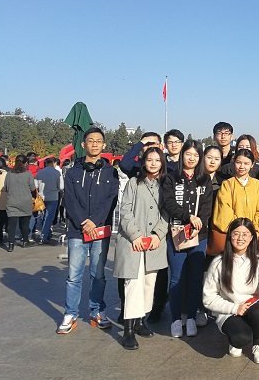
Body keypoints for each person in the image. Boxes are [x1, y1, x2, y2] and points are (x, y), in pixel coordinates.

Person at [58, 128, 119, 334]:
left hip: (100, 230)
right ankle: (70, 314)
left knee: (98, 274)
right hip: (78, 230)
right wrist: (84, 222)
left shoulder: (110, 172)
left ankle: (97, 311)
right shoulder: (72, 172)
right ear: (83, 145)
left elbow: (111, 200)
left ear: (104, 145)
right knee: (73, 275)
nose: (94, 144)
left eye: (98, 141)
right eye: (91, 141)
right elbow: (69, 199)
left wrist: (94, 221)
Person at [203, 218, 259, 364]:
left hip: (251, 305)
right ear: (230, 236)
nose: (240, 238)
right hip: (229, 309)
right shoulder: (218, 262)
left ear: (252, 237)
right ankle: (237, 335)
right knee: (240, 339)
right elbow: (208, 298)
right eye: (236, 233)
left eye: (245, 234)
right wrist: (235, 308)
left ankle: (258, 344)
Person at [113, 147, 169, 350]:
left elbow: (167, 212)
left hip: (154, 242)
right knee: (133, 285)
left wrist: (158, 234)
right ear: (143, 162)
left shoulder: (165, 185)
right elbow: (125, 210)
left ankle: (140, 321)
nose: (153, 163)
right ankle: (128, 329)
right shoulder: (134, 183)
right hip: (133, 242)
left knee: (148, 284)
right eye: (149, 159)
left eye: (157, 160)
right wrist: (135, 235)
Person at [162, 140, 213, 338]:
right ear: (182, 155)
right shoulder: (171, 178)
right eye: (188, 154)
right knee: (176, 277)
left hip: (199, 235)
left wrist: (198, 224)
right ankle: (176, 319)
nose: (191, 158)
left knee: (195, 277)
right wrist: (188, 217)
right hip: (177, 233)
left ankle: (191, 317)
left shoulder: (204, 179)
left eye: (196, 155)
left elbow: (207, 206)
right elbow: (168, 203)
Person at [212, 148, 259, 235]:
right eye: (238, 162)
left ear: (252, 165)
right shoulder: (227, 185)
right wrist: (239, 230)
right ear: (234, 162)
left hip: (253, 233)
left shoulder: (257, 184)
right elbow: (224, 213)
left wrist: (255, 229)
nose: (242, 166)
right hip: (233, 234)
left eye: (246, 163)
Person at [5, 154, 38, 251]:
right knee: (25, 223)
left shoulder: (9, 174)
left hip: (12, 200)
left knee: (12, 224)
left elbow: (6, 188)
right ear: (25, 163)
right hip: (25, 201)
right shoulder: (28, 174)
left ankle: (11, 244)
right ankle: (25, 240)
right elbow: (33, 188)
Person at [35, 157, 63, 244]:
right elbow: (61, 187)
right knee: (49, 217)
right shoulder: (57, 173)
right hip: (53, 197)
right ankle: (44, 235)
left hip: (41, 197)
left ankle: (46, 232)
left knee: (43, 216)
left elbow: (35, 186)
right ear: (53, 163)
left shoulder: (40, 173)